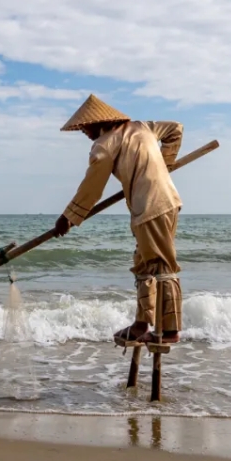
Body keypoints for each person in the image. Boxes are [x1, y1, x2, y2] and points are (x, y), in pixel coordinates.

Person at [53, 94, 185, 345]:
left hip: (150, 207)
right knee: (144, 265)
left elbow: (92, 187)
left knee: (161, 266)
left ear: (99, 122)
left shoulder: (104, 145)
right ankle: (142, 324)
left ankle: (169, 331)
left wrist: (68, 217)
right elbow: (175, 130)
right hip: (167, 202)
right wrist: (164, 164)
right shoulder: (144, 127)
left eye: (85, 126)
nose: (83, 131)